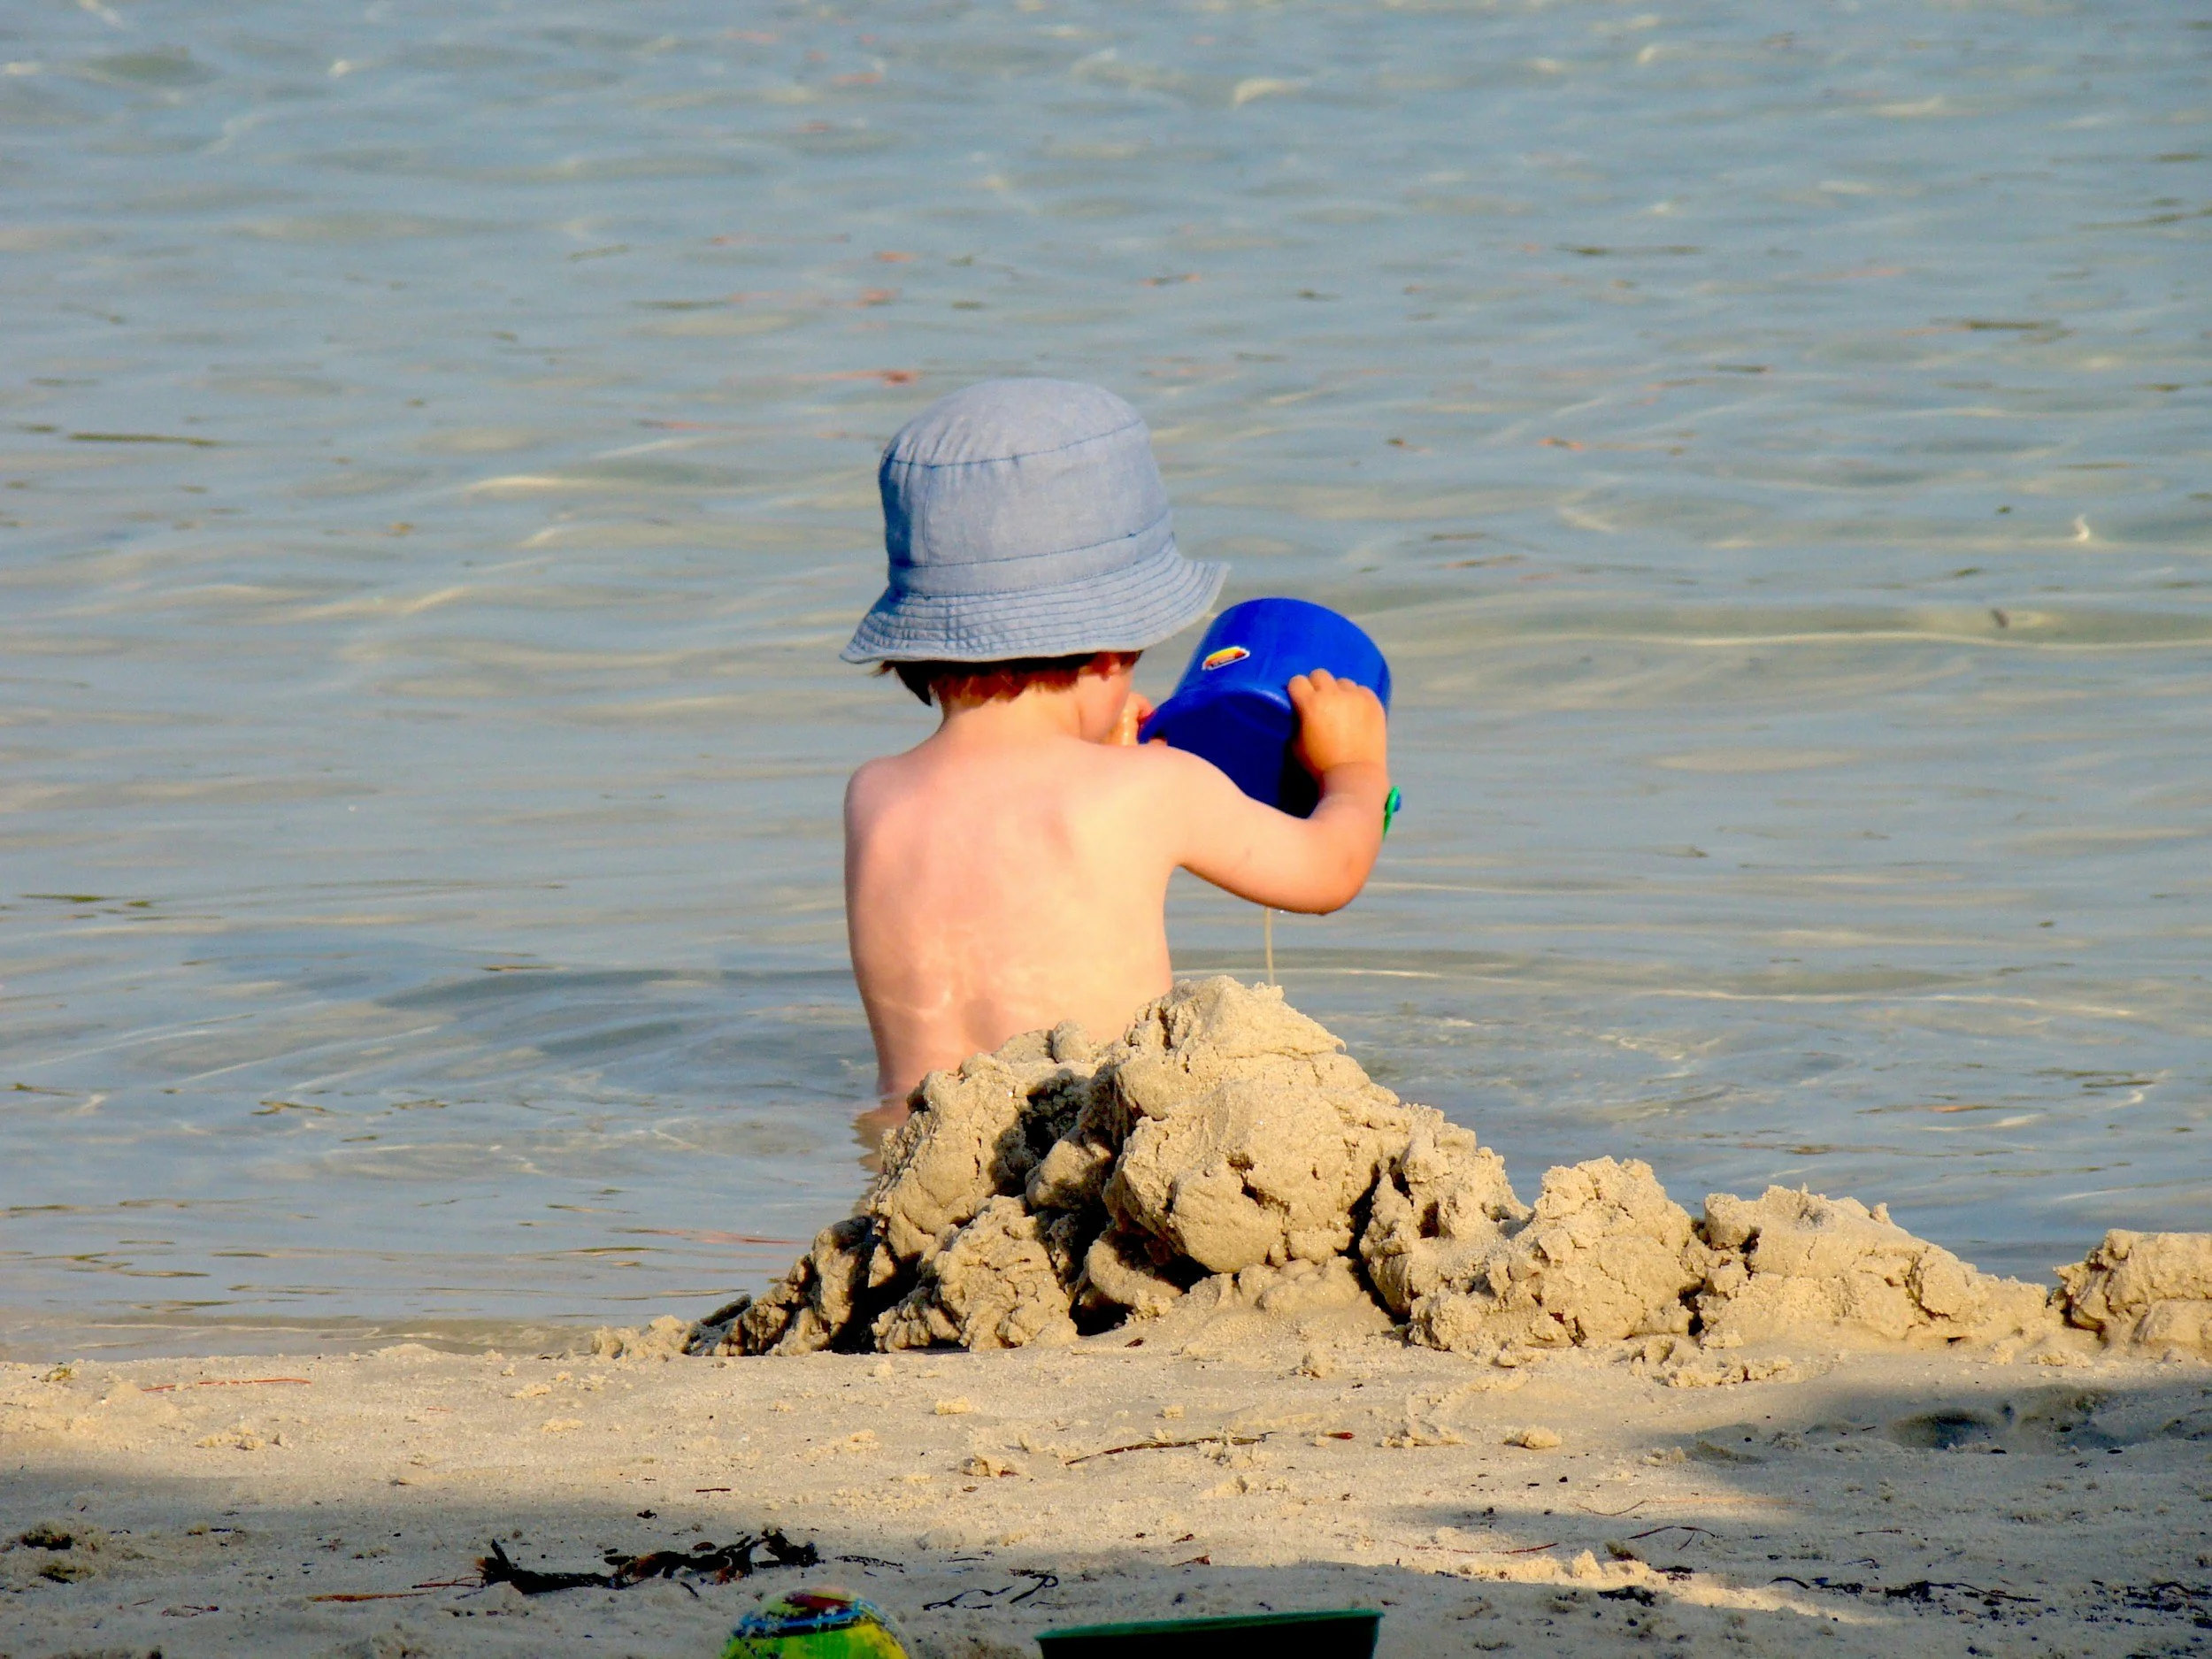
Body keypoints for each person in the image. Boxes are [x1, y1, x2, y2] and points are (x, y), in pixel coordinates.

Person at [841, 379, 1391, 1105]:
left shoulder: (874, 794)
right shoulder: (1155, 789)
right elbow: (1329, 871)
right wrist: (1352, 767)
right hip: (1085, 1161)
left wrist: (1106, 754)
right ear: (1109, 652)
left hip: (907, 1170)